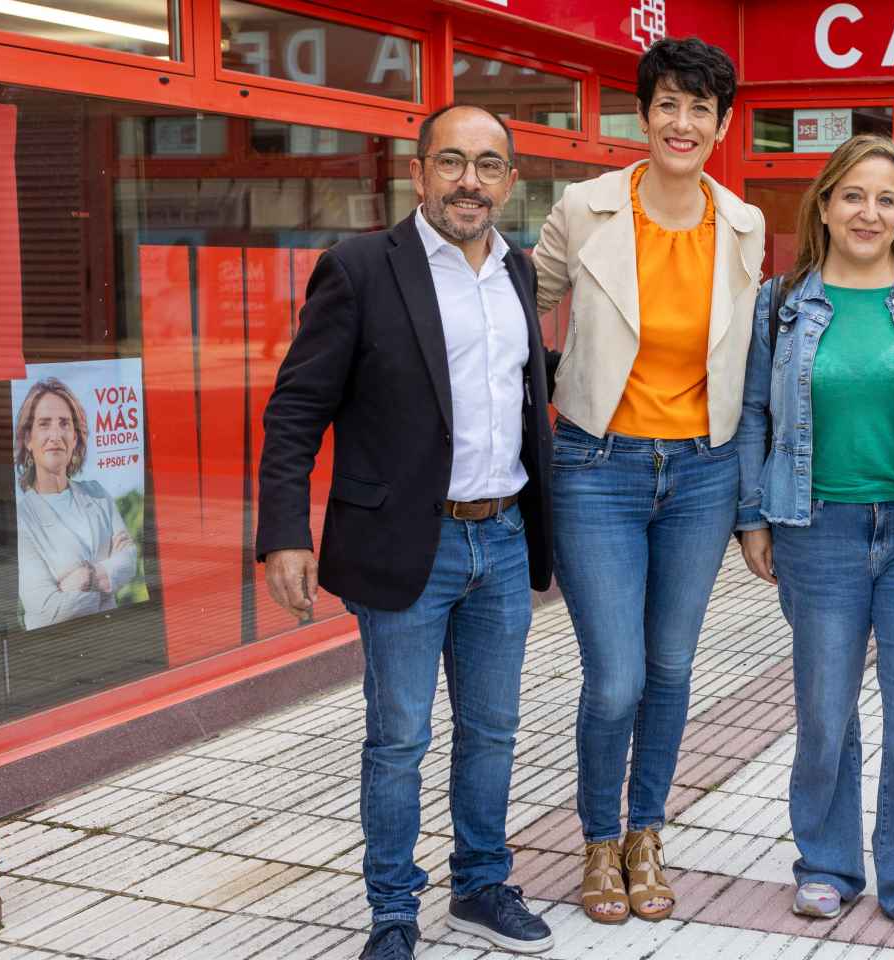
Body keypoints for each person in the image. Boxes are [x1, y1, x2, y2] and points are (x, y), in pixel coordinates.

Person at [257, 104, 556, 960]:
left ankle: (480, 883)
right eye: (453, 162)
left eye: (489, 165)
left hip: (500, 539)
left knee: (494, 729)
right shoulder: (357, 269)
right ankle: (393, 911)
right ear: (419, 172)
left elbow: (519, 394)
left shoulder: (518, 272)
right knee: (398, 740)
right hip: (403, 550)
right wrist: (285, 530)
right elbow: (297, 408)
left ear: (509, 180)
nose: (471, 181)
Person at [734, 134, 894, 938]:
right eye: (853, 195)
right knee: (824, 711)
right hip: (817, 531)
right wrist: (752, 516)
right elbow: (754, 414)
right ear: (824, 204)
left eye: (885, 198)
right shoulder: (782, 302)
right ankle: (827, 865)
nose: (868, 212)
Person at [531, 37, 763, 925]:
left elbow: (743, 362)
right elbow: (515, 309)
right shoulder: (584, 210)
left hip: (703, 470)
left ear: (722, 123)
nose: (683, 122)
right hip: (598, 465)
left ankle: (645, 834)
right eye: (668, 103)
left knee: (671, 666)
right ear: (644, 113)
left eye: (701, 108)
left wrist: (749, 502)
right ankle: (597, 839)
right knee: (617, 675)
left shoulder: (742, 225)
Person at [15, 378, 137, 629]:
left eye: (64, 424)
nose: (55, 435)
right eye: (44, 424)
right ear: (28, 438)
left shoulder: (97, 494)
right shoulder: (21, 518)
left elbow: (130, 560)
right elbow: (47, 612)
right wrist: (106, 578)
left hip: (111, 635)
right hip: (57, 650)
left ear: (75, 437)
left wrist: (84, 578)